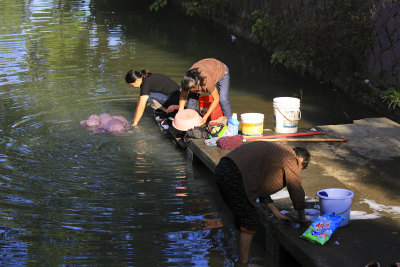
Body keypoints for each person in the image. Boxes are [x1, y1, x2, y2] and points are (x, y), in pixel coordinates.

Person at [214, 141, 311, 264]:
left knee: (241, 218)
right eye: (299, 169)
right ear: (300, 160)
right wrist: (302, 217)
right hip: (234, 173)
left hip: (222, 170)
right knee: (250, 220)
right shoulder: (291, 158)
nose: (297, 172)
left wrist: (277, 213)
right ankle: (243, 263)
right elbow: (295, 188)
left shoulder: (277, 153)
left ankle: (240, 257)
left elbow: (262, 184)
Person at [177, 58, 232, 124]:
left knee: (223, 99)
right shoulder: (186, 81)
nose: (191, 91)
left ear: (198, 83)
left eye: (194, 89)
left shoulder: (207, 81)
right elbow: (183, 96)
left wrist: (206, 116)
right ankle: (189, 124)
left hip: (221, 70)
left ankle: (230, 123)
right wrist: (180, 113)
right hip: (207, 67)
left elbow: (216, 99)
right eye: (189, 89)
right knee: (191, 100)